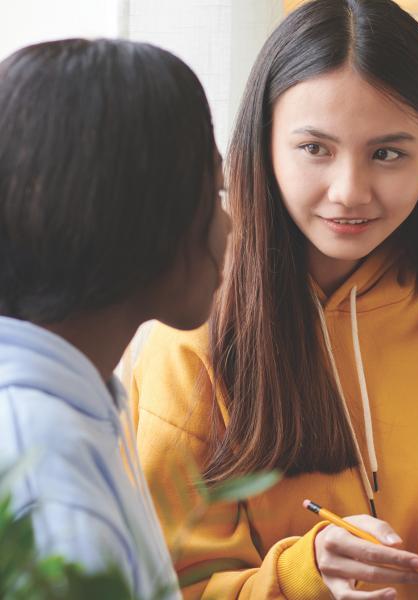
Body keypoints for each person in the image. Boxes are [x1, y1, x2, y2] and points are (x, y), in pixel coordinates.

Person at [132, 1, 418, 598]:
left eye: (388, 153)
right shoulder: (193, 327)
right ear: (264, 144)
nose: (349, 191)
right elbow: (173, 585)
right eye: (315, 148)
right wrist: (304, 574)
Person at [0, 38, 230, 599]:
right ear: (147, 210)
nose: (228, 227)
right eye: (217, 191)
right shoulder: (43, 474)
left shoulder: (87, 394)